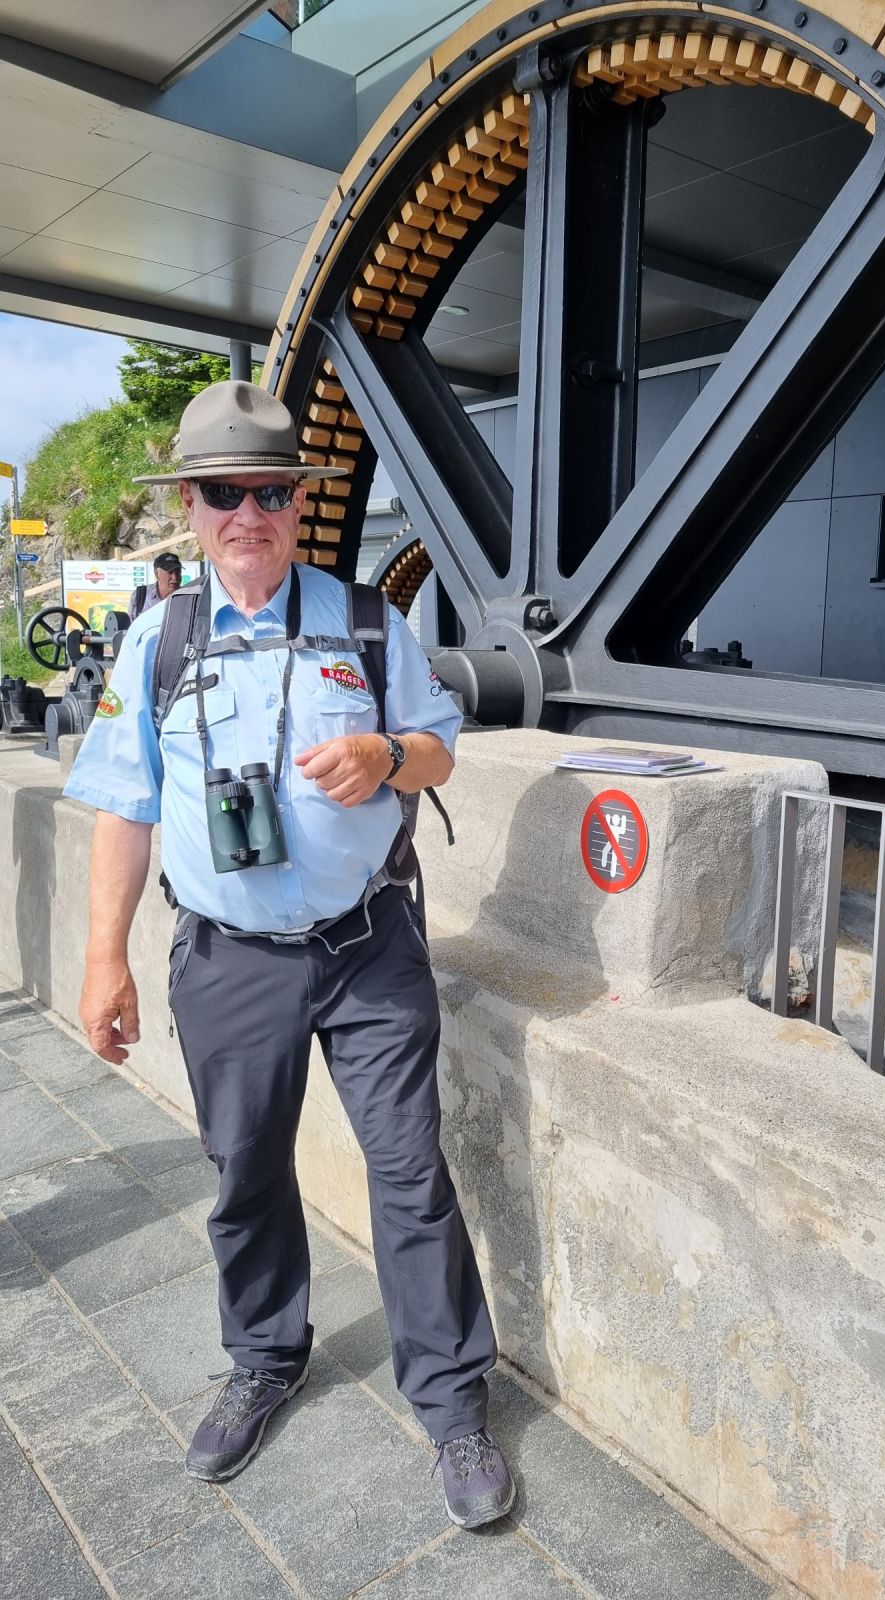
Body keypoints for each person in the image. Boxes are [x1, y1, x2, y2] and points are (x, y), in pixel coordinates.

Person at [64, 381, 513, 1528]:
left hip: (368, 946)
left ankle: (455, 1402)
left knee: (409, 1173)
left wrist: (386, 753)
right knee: (245, 1171)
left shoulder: (367, 623)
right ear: (195, 508)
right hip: (228, 960)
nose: (249, 512)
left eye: (271, 490)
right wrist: (104, 957)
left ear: (298, 502)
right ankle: (265, 1357)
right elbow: (123, 804)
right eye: (225, 492)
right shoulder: (159, 641)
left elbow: (441, 753)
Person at [128, 550, 184, 618]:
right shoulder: (140, 595)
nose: (175, 578)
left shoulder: (187, 598)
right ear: (156, 574)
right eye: (170, 572)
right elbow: (131, 626)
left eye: (178, 572)